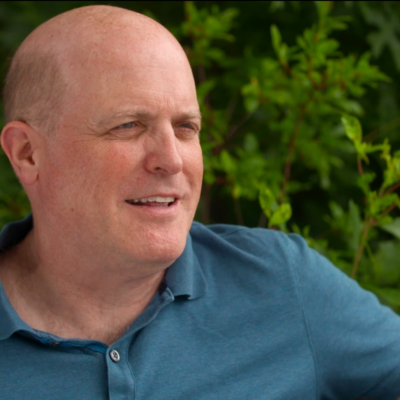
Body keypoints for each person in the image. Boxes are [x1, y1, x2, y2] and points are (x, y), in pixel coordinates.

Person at [0, 5, 399, 400]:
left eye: (185, 127)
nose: (172, 159)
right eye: (128, 125)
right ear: (27, 153)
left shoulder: (279, 283)